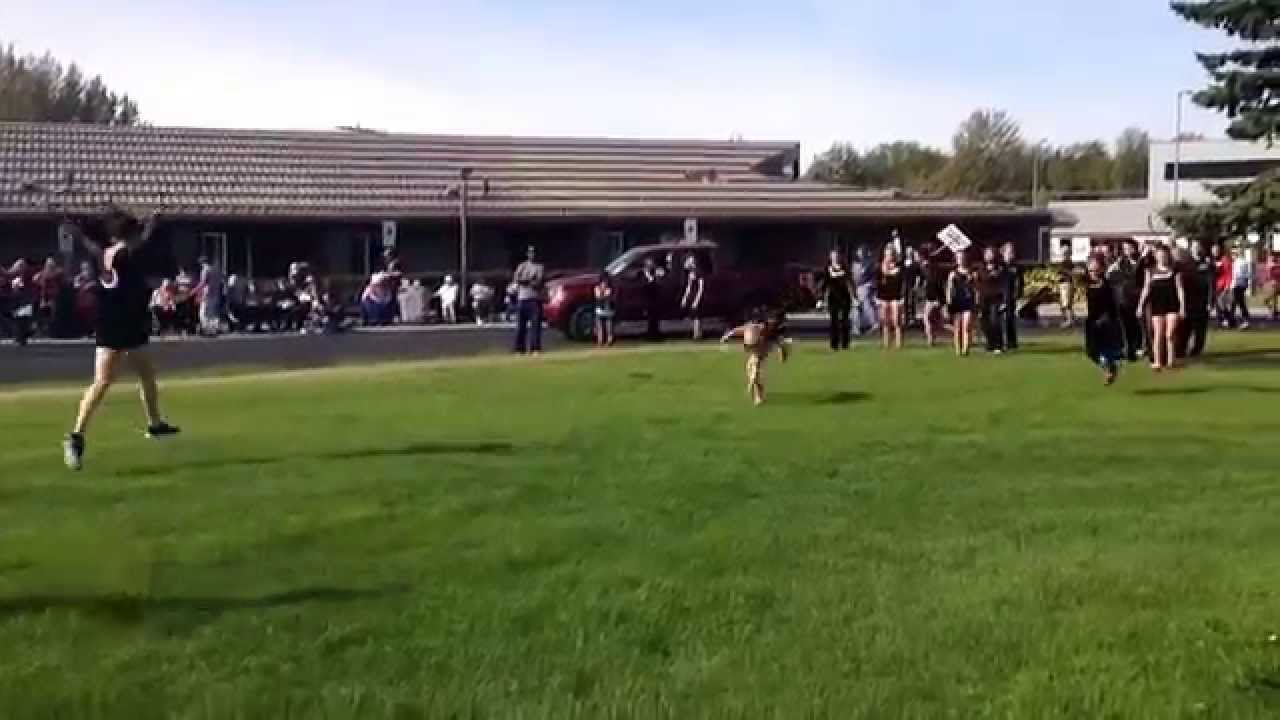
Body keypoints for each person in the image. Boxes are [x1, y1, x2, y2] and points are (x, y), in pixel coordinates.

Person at [60, 208, 180, 471]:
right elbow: (141, 243)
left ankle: (155, 424)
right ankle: (76, 436)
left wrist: (76, 228)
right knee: (103, 382)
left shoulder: (102, 252)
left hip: (123, 323)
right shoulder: (119, 253)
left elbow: (88, 242)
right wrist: (153, 223)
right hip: (117, 327)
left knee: (146, 375)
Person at [720, 307, 791, 407]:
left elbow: (781, 344)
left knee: (755, 373)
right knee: (753, 373)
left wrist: (783, 354)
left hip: (760, 353)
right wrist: (727, 336)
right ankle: (756, 391)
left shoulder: (776, 332)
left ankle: (758, 396)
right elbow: (741, 329)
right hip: (756, 352)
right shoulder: (758, 327)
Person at [1136, 245, 1186, 372]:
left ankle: (1171, 360)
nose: (1162, 257)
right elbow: (1146, 288)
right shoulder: (1150, 271)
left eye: (1164, 255)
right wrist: (1140, 305)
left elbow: (1180, 289)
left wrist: (1182, 307)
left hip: (1172, 305)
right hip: (1157, 305)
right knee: (1158, 334)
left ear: (1168, 256)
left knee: (1170, 333)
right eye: (1159, 255)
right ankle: (1157, 362)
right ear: (1155, 256)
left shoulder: (1175, 270)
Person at [1083, 253, 1124, 386]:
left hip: (1107, 320)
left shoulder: (1107, 284)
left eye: (1096, 270)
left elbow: (1113, 303)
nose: (1093, 273)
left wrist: (1107, 318)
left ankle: (1109, 371)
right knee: (1091, 351)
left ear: (1102, 269)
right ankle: (1109, 368)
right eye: (1090, 270)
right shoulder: (1086, 282)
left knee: (1107, 350)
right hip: (1091, 321)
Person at [1106, 240, 1143, 362]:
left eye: (1129, 247)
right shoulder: (1121, 263)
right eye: (1124, 248)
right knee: (1126, 325)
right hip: (1124, 298)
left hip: (1139, 297)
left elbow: (1136, 275)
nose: (1126, 250)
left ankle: (1138, 346)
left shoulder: (1142, 261)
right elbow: (1111, 276)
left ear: (1135, 248)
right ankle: (1128, 349)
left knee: (1138, 324)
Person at [1175, 246, 1211, 360]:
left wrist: (1210, 301)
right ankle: (1181, 349)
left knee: (1199, 329)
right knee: (1185, 328)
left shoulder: (1205, 266)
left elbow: (1209, 285)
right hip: (1186, 301)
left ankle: (1196, 349)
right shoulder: (1179, 268)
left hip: (1200, 301)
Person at [512, 245, 545, 355]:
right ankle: (519, 349)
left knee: (535, 326)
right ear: (527, 254)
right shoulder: (522, 266)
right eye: (530, 252)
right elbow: (517, 278)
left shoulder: (539, 267)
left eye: (534, 252)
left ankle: (535, 348)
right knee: (520, 326)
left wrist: (526, 281)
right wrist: (528, 280)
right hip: (522, 298)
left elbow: (538, 282)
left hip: (534, 299)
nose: (532, 254)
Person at [822, 249, 855, 351]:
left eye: (836, 256)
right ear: (830, 258)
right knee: (834, 321)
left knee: (845, 321)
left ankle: (845, 344)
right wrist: (822, 299)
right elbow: (825, 284)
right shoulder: (827, 269)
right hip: (833, 297)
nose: (835, 258)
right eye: (833, 256)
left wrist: (854, 297)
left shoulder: (845, 268)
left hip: (845, 297)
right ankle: (834, 344)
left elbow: (850, 283)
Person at [946, 251, 976, 357]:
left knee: (967, 326)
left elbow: (976, 288)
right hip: (957, 301)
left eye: (962, 257)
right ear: (956, 259)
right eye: (959, 257)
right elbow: (949, 289)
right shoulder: (953, 273)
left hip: (968, 301)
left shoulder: (972, 272)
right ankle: (958, 349)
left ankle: (966, 349)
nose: (961, 259)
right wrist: (949, 302)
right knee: (957, 327)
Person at [979, 246, 1007, 354]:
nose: (989, 255)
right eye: (987, 253)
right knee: (984, 322)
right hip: (984, 299)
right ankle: (990, 343)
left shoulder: (1000, 267)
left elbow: (1002, 281)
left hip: (996, 299)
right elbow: (982, 279)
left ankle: (998, 345)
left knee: (995, 320)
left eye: (991, 253)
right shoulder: (981, 267)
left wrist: (1004, 301)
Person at [876, 249, 905, 349]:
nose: (889, 257)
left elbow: (902, 283)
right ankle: (886, 343)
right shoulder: (880, 268)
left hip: (895, 296)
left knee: (896, 320)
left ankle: (898, 344)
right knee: (885, 321)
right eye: (887, 255)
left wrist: (902, 297)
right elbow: (878, 283)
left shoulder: (899, 268)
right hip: (884, 296)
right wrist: (878, 297)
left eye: (891, 255)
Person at [33, 256, 66, 338]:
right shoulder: (41, 274)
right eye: (48, 265)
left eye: (51, 265)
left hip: (54, 298)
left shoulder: (57, 273)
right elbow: (35, 280)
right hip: (44, 298)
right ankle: (40, 330)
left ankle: (50, 330)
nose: (49, 267)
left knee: (51, 311)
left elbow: (61, 280)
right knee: (42, 311)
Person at [920, 252, 946, 347]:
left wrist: (939, 301)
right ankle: (931, 337)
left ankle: (930, 338)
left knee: (927, 319)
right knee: (932, 320)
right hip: (931, 299)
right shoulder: (930, 272)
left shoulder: (932, 274)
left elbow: (937, 288)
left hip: (934, 300)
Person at [1000, 242, 1023, 350]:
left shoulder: (1016, 267)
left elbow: (1020, 282)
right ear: (1004, 253)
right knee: (998, 320)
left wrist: (1018, 294)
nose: (1011, 254)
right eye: (1009, 252)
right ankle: (999, 341)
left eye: (1012, 252)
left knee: (1009, 319)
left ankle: (1011, 342)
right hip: (999, 296)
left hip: (1010, 297)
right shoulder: (1000, 266)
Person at [194, 256, 225, 337]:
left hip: (207, 293)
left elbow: (203, 283)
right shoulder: (216, 270)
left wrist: (194, 290)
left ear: (202, 263)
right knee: (213, 313)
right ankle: (214, 329)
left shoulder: (205, 270)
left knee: (203, 313)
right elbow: (222, 282)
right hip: (216, 293)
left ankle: (207, 329)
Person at [853, 246, 878, 336]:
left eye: (860, 251)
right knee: (860, 306)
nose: (858, 253)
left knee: (866, 304)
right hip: (861, 286)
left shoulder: (868, 262)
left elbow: (866, 275)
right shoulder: (860, 263)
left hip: (864, 286)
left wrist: (869, 284)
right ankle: (859, 326)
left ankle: (873, 323)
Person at [681, 259, 706, 341]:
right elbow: (689, 287)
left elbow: (701, 288)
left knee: (697, 317)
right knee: (693, 316)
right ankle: (697, 333)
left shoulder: (699, 273)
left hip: (698, 297)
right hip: (692, 296)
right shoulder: (690, 274)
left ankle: (697, 335)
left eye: (688, 264)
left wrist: (696, 300)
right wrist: (685, 298)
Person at [1230, 247, 1253, 330]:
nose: (1232, 256)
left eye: (1233, 254)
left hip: (1239, 285)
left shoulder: (1242, 262)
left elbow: (1246, 274)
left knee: (1236, 302)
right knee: (1238, 302)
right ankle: (1242, 320)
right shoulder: (1235, 262)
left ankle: (1237, 320)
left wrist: (1241, 279)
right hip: (1237, 285)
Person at [1213, 243, 1234, 328]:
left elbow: (1229, 274)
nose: (1215, 252)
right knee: (1218, 305)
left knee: (1221, 303)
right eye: (1214, 250)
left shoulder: (1225, 259)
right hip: (1215, 286)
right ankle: (1221, 321)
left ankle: (1230, 320)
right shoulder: (1212, 260)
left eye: (1216, 250)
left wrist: (1227, 285)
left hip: (1222, 285)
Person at [642, 256, 663, 341]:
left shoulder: (655, 274)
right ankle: (651, 333)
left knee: (654, 318)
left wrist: (653, 277)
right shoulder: (643, 275)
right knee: (650, 318)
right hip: (647, 298)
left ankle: (654, 334)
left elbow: (657, 282)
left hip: (654, 298)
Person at [1055, 247, 1076, 328]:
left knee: (1066, 304)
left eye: (1064, 253)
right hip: (1064, 284)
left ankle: (1069, 321)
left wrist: (1063, 271)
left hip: (1066, 284)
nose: (1062, 255)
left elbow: (1071, 273)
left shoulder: (1067, 262)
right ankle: (1071, 319)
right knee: (1065, 304)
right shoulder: (1065, 262)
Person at [594, 273, 616, 346]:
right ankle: (600, 340)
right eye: (603, 281)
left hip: (608, 310)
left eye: (606, 281)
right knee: (599, 326)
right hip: (600, 310)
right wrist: (603, 295)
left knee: (609, 326)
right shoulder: (597, 288)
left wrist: (603, 295)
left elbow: (607, 297)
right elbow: (598, 297)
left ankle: (610, 340)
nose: (604, 283)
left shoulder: (610, 288)